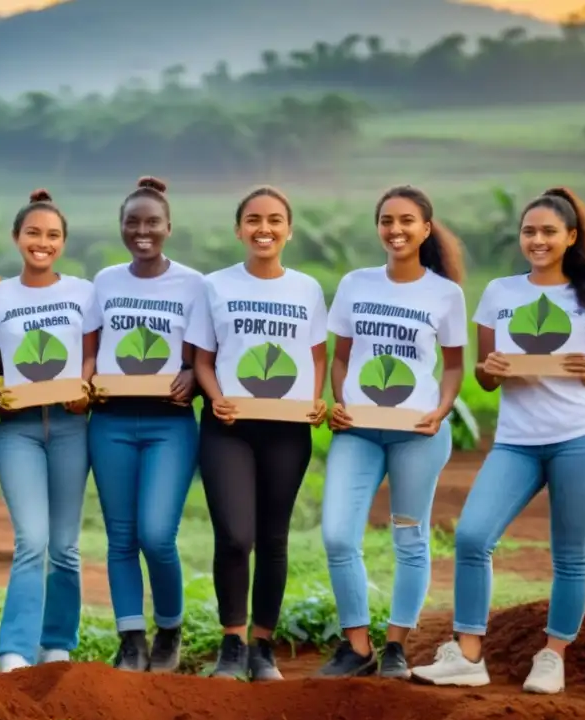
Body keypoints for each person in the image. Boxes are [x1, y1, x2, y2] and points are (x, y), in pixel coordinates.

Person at [410, 187, 585, 695]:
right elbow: (486, 377)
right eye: (529, 231)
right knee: (472, 536)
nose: (537, 240)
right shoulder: (500, 294)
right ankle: (468, 655)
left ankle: (552, 657)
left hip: (581, 437)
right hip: (516, 442)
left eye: (549, 232)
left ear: (570, 238)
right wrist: (492, 370)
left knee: (571, 555)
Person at [317, 186, 467, 680]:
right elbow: (340, 357)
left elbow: (453, 367)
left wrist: (442, 410)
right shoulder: (356, 283)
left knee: (410, 538)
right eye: (386, 220)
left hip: (416, 436)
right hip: (359, 433)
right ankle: (356, 647)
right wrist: (340, 402)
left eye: (407, 221)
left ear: (426, 228)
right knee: (339, 535)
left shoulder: (446, 294)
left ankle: (397, 646)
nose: (395, 229)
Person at [186, 186, 329, 681]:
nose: (262, 229)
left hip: (287, 431)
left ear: (288, 229)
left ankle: (262, 647)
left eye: (273, 220)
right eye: (252, 220)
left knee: (273, 537)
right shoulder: (214, 285)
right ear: (238, 229)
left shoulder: (307, 289)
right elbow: (202, 360)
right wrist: (214, 394)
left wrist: (315, 397)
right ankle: (232, 642)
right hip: (228, 427)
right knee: (234, 535)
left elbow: (315, 355)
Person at [86, 177, 204, 673]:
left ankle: (170, 628)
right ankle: (131, 637)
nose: (142, 231)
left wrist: (193, 376)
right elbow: (90, 349)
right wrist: (87, 381)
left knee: (157, 535)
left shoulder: (195, 284)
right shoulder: (105, 282)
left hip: (169, 424)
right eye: (132, 222)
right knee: (119, 538)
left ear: (169, 227)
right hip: (110, 422)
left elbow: (204, 356)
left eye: (152, 222)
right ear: (121, 227)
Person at [0, 190, 98, 672]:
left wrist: (86, 386)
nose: (41, 242)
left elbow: (91, 353)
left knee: (66, 545)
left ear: (63, 243)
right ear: (16, 238)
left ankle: (57, 643)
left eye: (52, 235)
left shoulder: (83, 292)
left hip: (72, 426)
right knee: (31, 538)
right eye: (33, 233)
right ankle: (15, 650)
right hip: (18, 429)